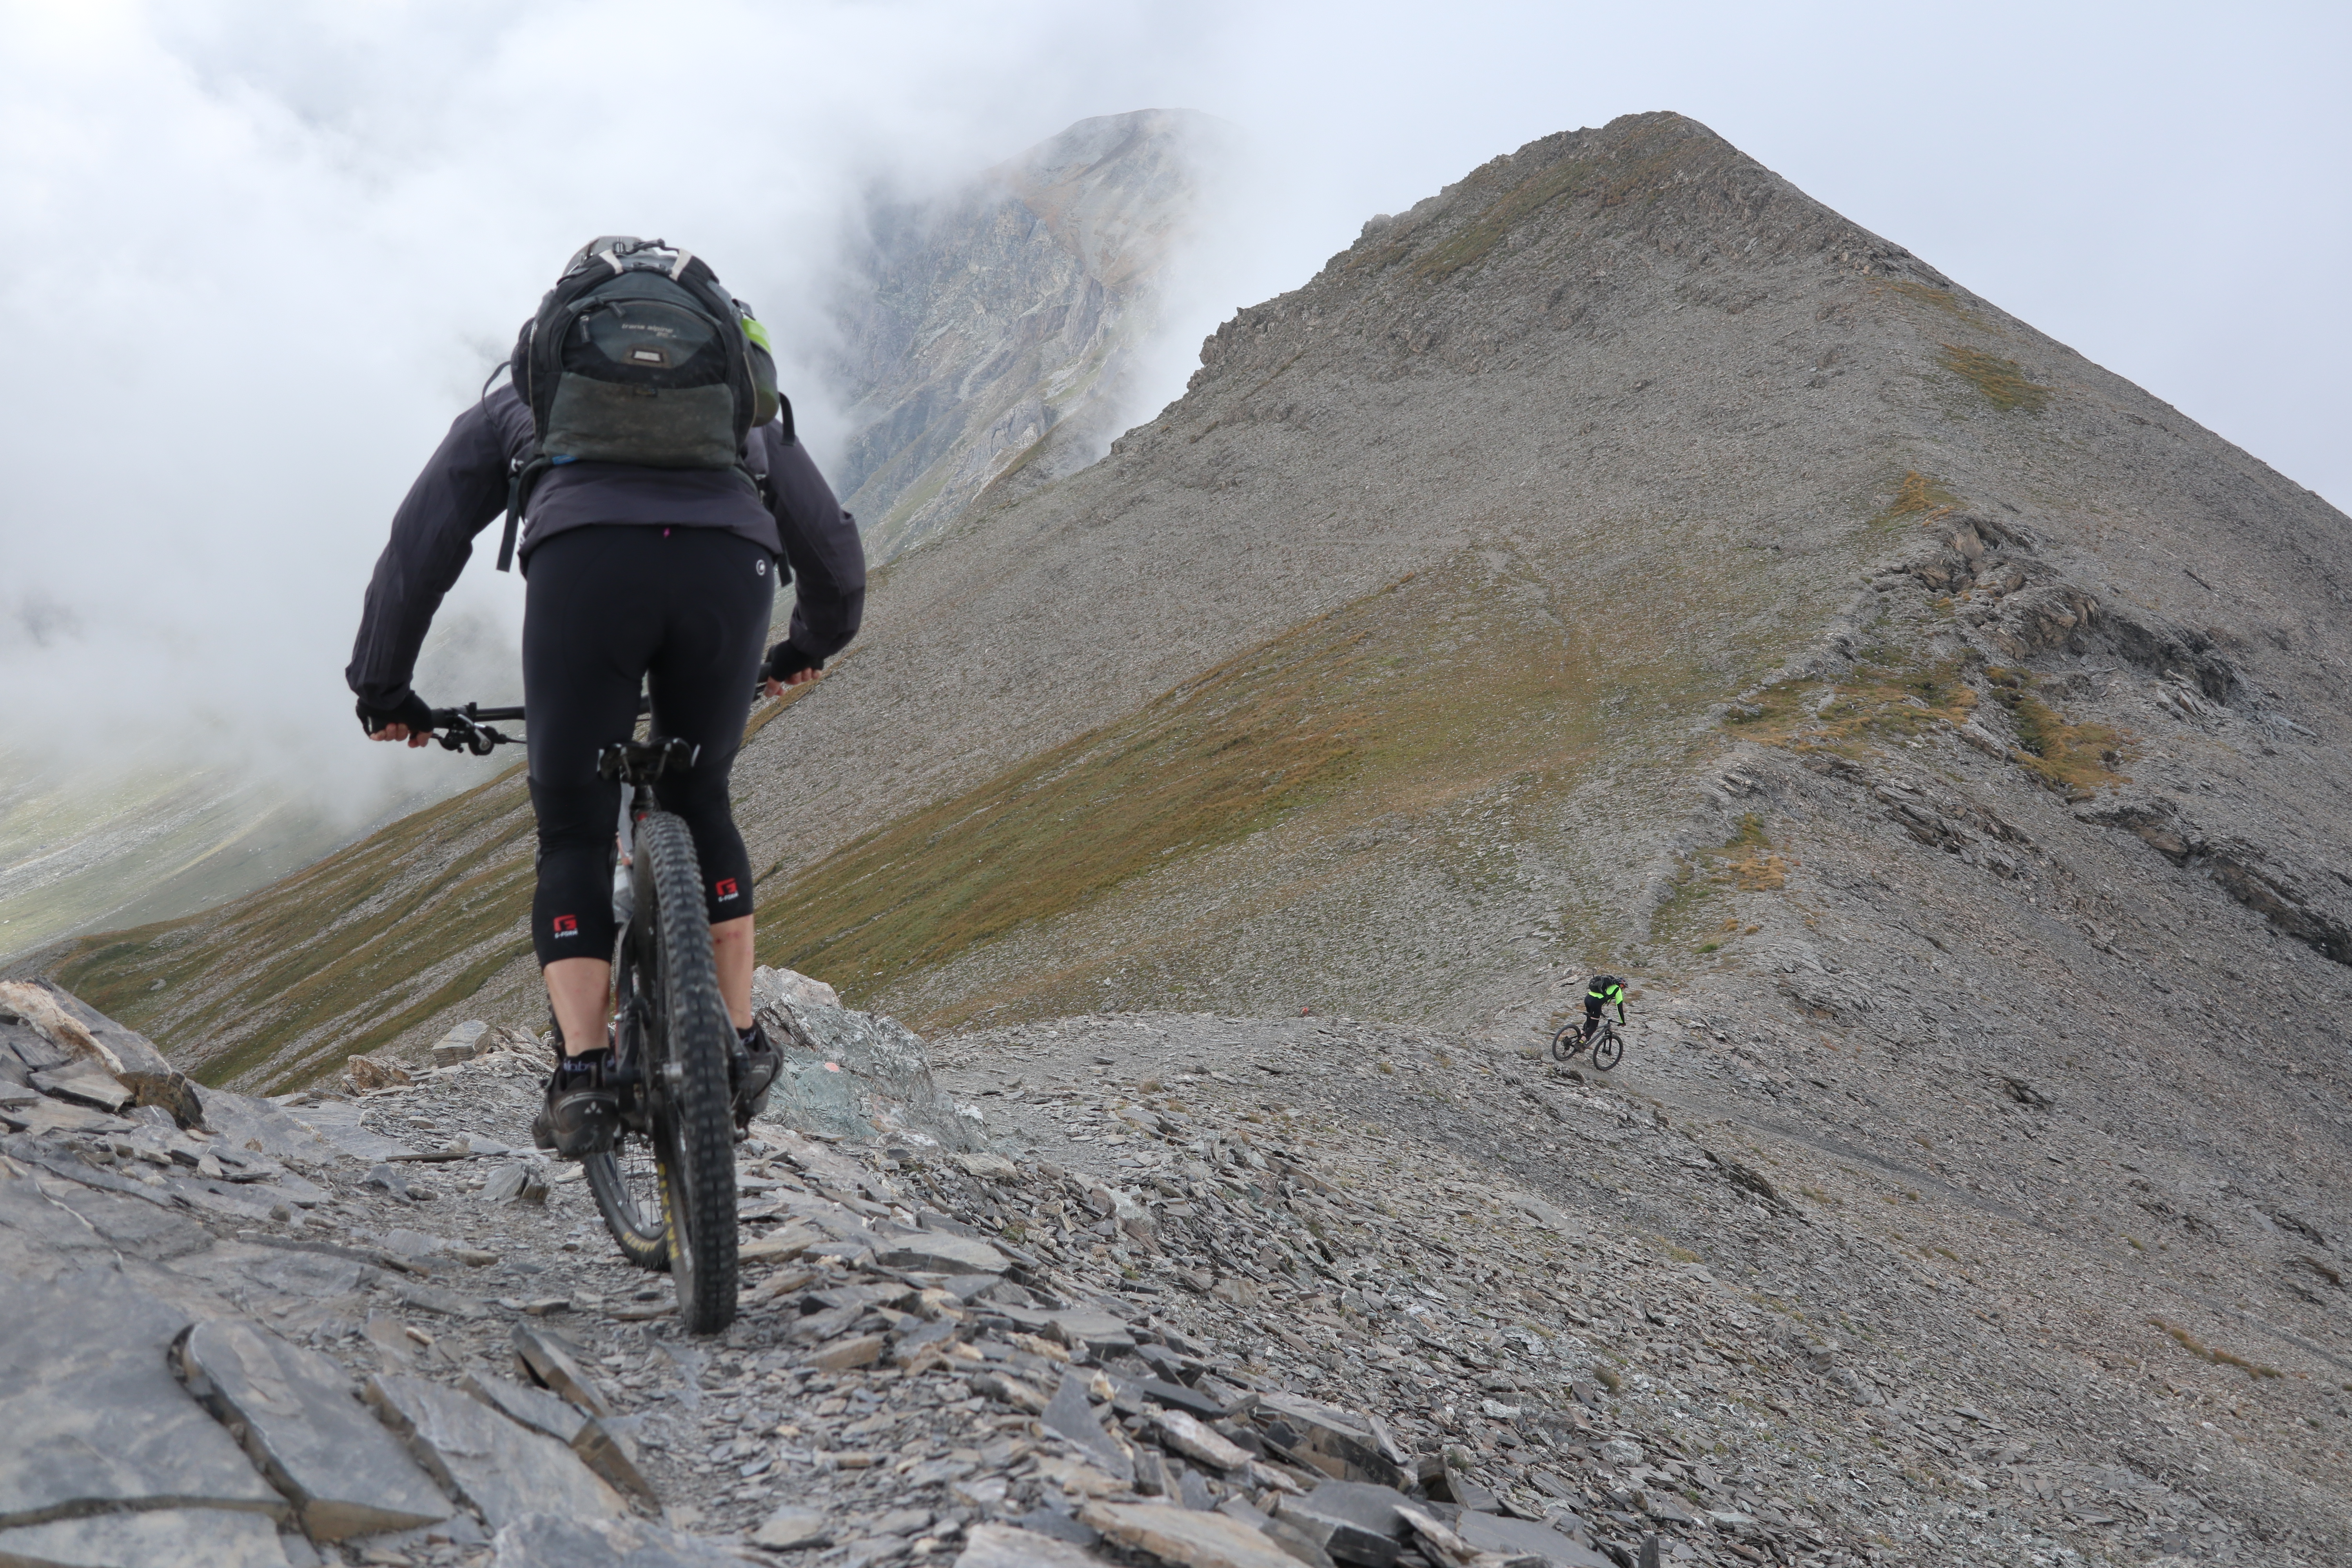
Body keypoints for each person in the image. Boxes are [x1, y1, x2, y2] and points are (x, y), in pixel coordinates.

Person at [346, 237, 865, 1157]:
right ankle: (739, 1040)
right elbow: (829, 548)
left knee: (577, 829)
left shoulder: (521, 392)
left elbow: (420, 544)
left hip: (585, 569)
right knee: (701, 799)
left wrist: (385, 686)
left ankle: (585, 1074)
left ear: (563, 333)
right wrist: (803, 647)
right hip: (727, 574)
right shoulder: (737, 404)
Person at [1582, 974, 1627, 1042]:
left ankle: (1580, 1036)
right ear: (1621, 986)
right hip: (1595, 1002)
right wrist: (1622, 1022)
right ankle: (1580, 1043)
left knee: (1590, 1019)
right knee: (1594, 1027)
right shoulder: (1618, 990)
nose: (1624, 989)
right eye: (1624, 987)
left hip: (1588, 998)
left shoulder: (1608, 985)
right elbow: (1620, 1008)